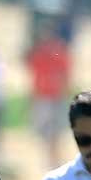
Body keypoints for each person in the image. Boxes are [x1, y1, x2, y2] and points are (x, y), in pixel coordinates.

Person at [25, 21, 73, 170]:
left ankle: (53, 158)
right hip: (45, 95)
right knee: (48, 130)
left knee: (54, 130)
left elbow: (64, 73)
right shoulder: (43, 51)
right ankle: (52, 158)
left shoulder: (54, 51)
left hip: (52, 95)